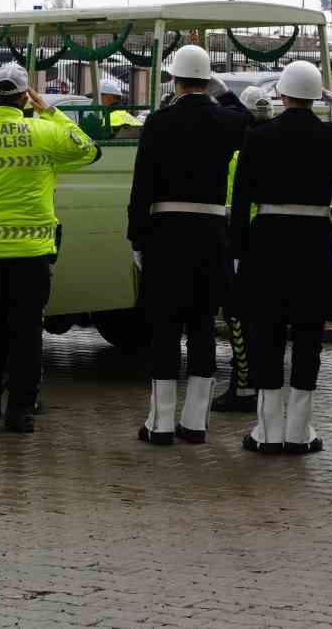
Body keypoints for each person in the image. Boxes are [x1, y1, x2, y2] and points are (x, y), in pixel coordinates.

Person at [0, 62, 98, 435]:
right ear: (25, 97)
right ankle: (20, 412)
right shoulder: (42, 133)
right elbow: (88, 150)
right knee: (25, 334)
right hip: (31, 255)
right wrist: (51, 112)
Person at [126, 45, 248, 445]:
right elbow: (246, 121)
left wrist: (137, 237)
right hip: (211, 234)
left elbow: (141, 185)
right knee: (201, 328)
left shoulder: (159, 122)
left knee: (164, 328)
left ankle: (159, 423)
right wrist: (223, 90)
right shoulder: (226, 120)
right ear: (207, 80)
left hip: (166, 234)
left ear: (174, 80)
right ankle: (195, 421)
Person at [230, 61, 332, 455]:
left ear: (282, 94)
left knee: (266, 336)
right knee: (308, 338)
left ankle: (266, 429)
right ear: (317, 95)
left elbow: (242, 195)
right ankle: (300, 430)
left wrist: (240, 248)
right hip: (312, 242)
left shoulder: (259, 136)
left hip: (267, 241)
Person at [212, 85, 271, 415]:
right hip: (266, 238)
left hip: (238, 239)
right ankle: (257, 381)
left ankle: (244, 385)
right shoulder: (274, 142)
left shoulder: (240, 148)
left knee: (237, 315)